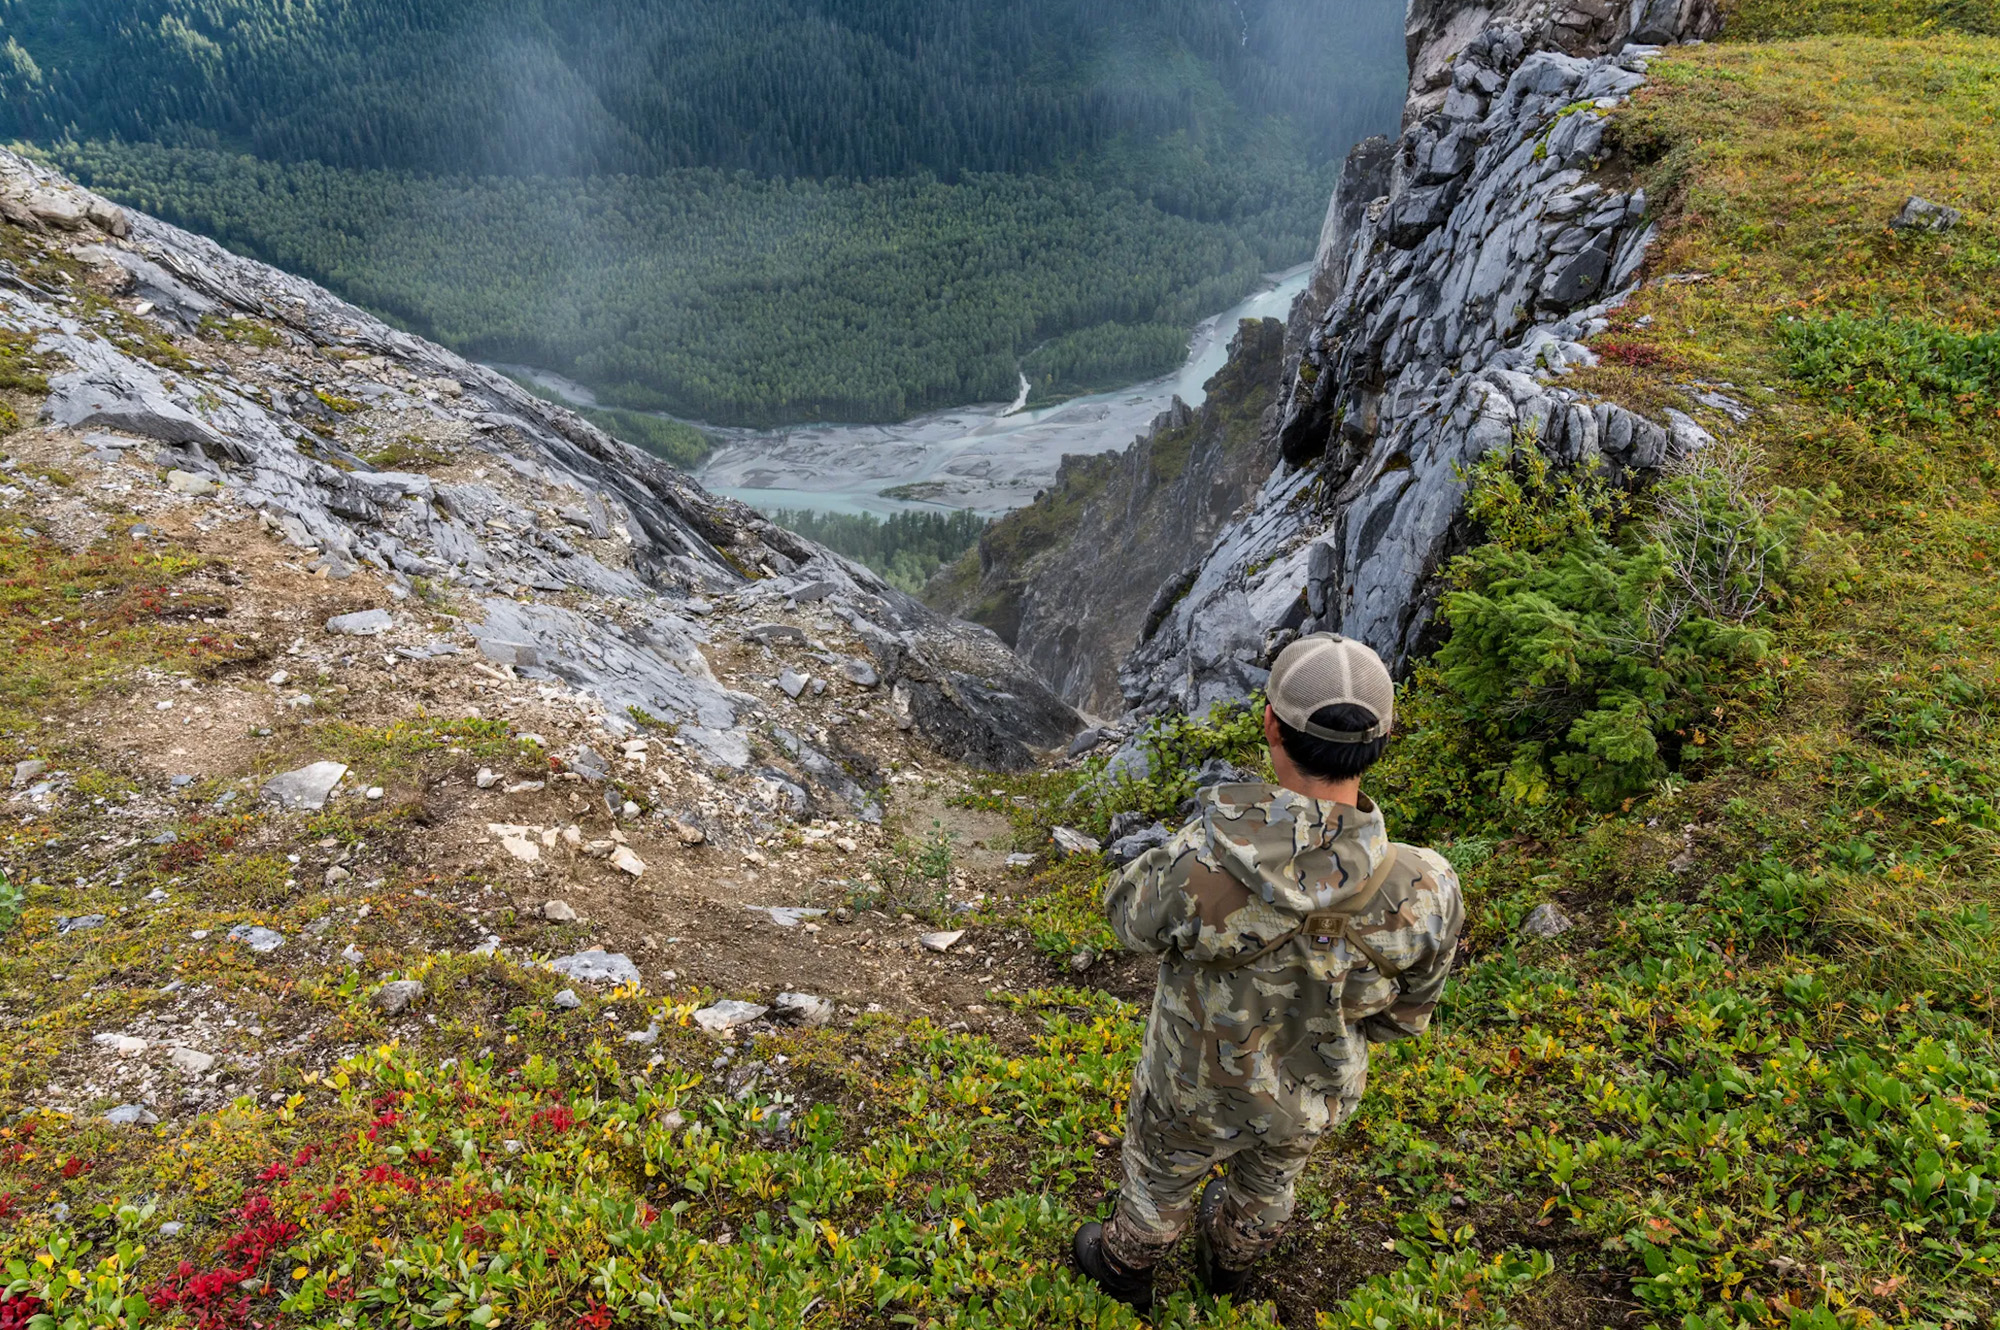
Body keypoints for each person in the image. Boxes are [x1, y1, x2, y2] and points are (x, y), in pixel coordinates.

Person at [1072, 633, 1466, 1310]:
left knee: (1157, 1179)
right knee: (1269, 1185)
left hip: (1191, 1085)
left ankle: (1125, 1267)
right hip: (1314, 1090)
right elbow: (1411, 1012)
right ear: (1384, 737)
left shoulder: (1200, 861)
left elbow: (1125, 920)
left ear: (1270, 726)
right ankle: (1230, 1264)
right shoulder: (1425, 884)